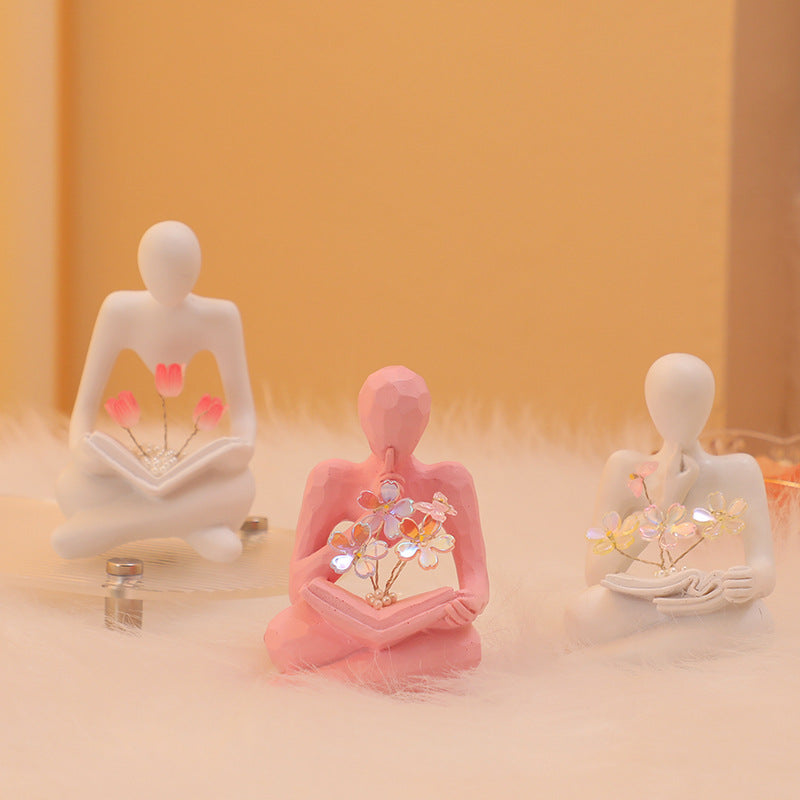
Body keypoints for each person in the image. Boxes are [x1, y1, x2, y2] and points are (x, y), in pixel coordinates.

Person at [265, 366, 489, 686]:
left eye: (407, 421)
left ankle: (330, 679)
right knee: (281, 637)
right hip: (345, 623)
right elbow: (299, 586)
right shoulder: (333, 478)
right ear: (363, 420)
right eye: (380, 420)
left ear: (424, 422)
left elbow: (476, 580)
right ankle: (387, 668)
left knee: (467, 645)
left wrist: (470, 604)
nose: (392, 436)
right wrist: (366, 524)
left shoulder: (450, 481)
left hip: (414, 625)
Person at [53, 221, 256, 562]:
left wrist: (242, 449)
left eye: (181, 272)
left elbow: (244, 415)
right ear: (141, 267)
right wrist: (83, 451)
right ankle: (195, 525)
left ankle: (104, 527)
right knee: (70, 485)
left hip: (192, 475)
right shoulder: (118, 311)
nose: (170, 283)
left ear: (197, 269)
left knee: (242, 483)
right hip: (130, 476)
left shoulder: (220, 317)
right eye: (159, 271)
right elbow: (84, 409)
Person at [566, 353, 775, 651]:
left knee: (756, 616)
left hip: (710, 601)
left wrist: (751, 580)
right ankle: (677, 642)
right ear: (651, 404)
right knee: (582, 611)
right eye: (666, 402)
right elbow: (597, 574)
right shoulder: (626, 468)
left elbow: (764, 565)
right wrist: (664, 506)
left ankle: (625, 654)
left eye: (692, 402)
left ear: (708, 404)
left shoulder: (740, 470)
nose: (679, 415)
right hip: (647, 604)